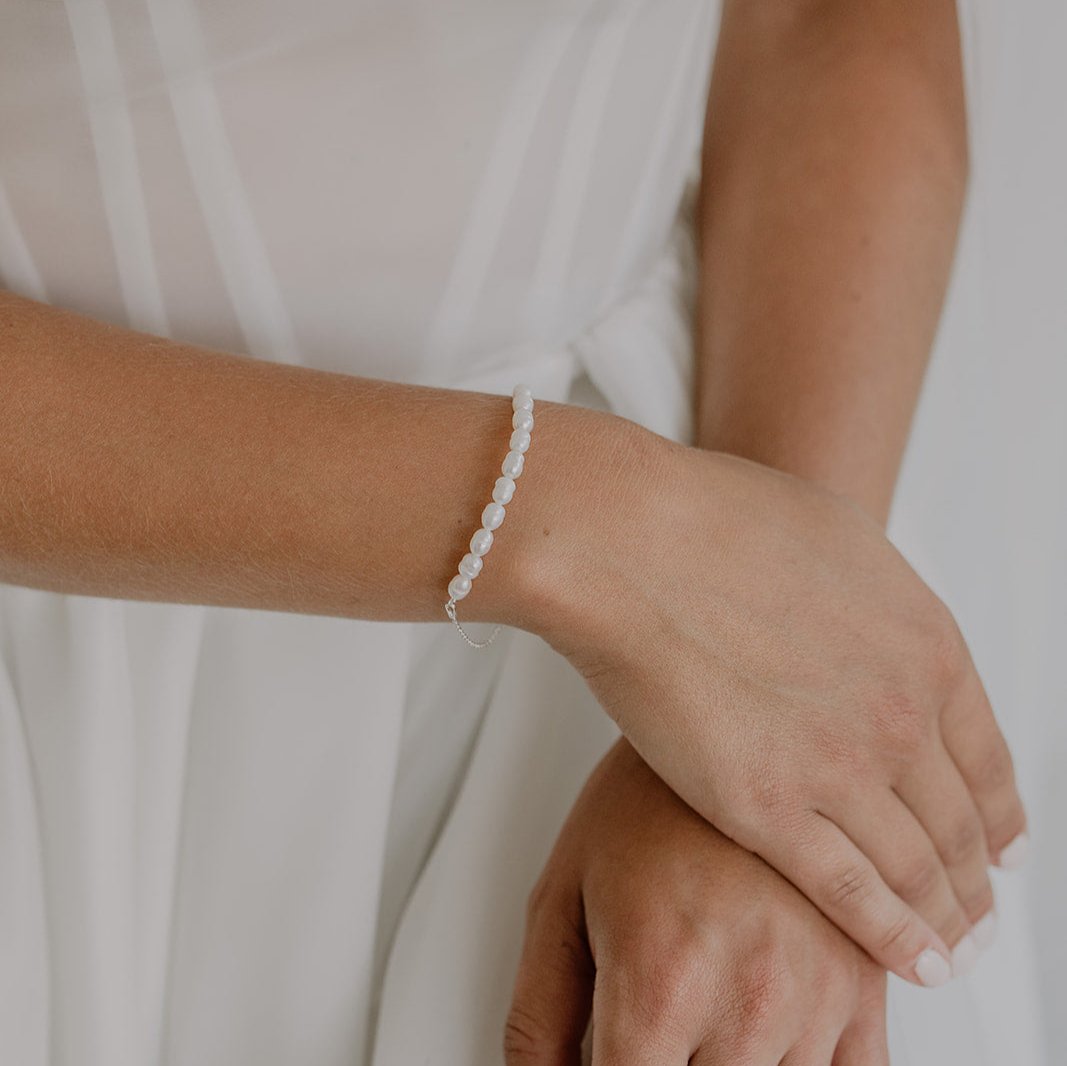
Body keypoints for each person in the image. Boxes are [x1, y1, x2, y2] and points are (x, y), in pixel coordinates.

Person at [0, 0, 1046, 1064]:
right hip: (67, 625)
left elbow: (827, 23)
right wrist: (603, 538)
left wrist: (776, 707)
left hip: (719, 487)